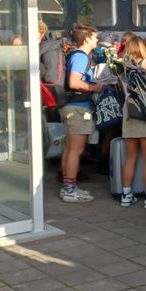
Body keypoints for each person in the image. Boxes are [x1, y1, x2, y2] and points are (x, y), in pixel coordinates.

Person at [60, 24, 103, 203]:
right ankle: (70, 189)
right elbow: (74, 82)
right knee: (76, 150)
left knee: (70, 149)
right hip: (79, 107)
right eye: (94, 37)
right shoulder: (81, 57)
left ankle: (68, 186)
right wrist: (95, 87)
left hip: (71, 106)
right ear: (86, 38)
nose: (97, 40)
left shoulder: (75, 54)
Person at [118, 36, 146, 208]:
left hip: (129, 110)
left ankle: (126, 195)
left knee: (130, 156)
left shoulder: (122, 66)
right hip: (145, 110)